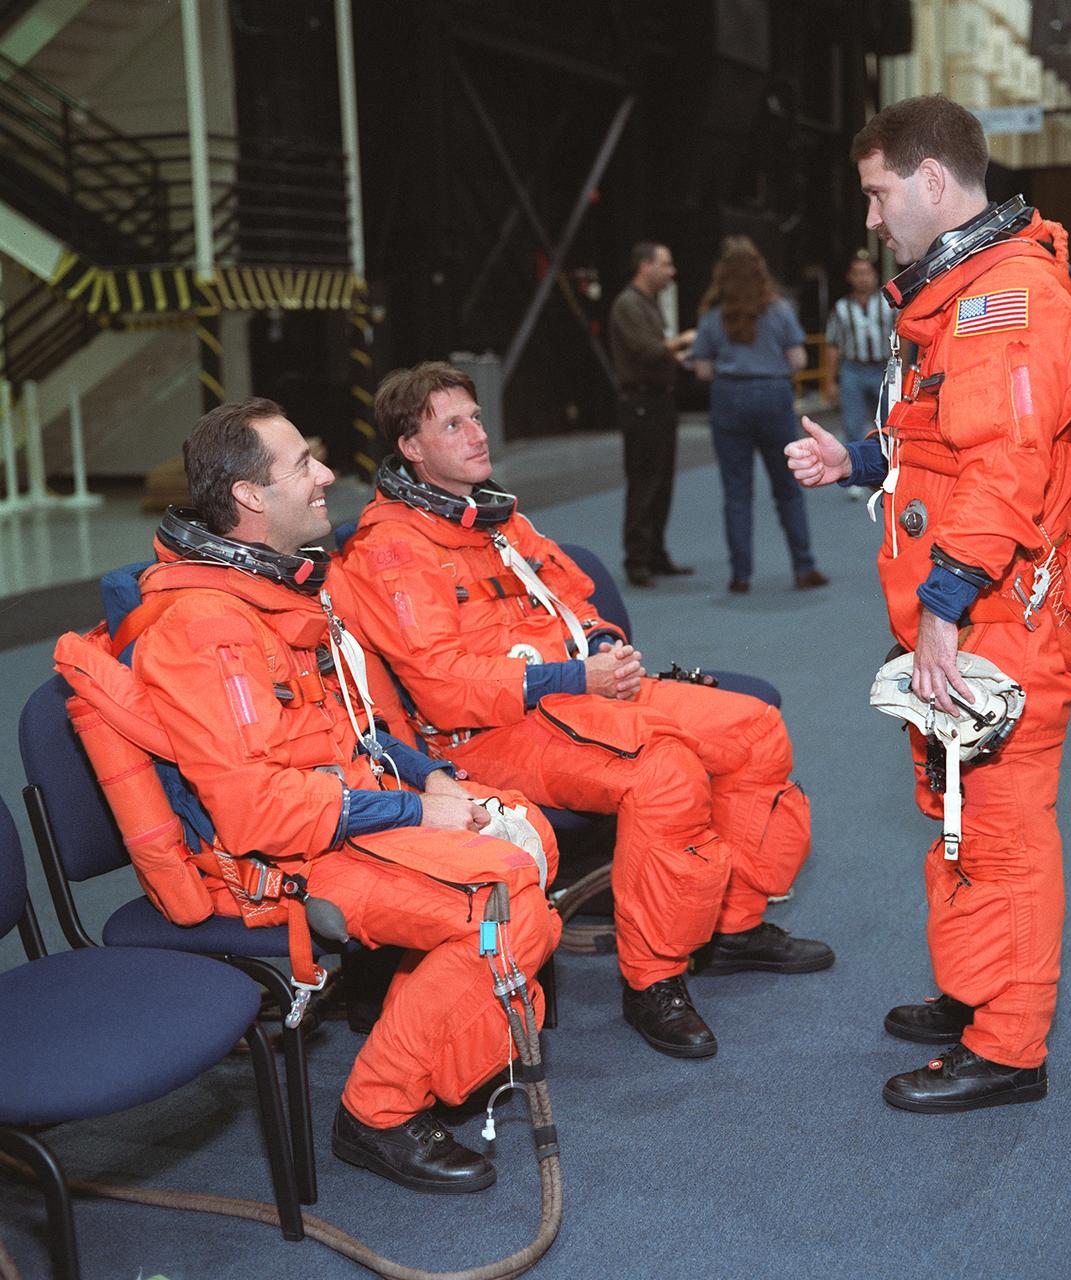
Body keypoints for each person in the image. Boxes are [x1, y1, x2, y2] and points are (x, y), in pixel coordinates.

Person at [337, 361, 835, 1061]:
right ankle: (654, 980)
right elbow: (443, 687)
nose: (477, 433)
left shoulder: (499, 519)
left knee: (753, 728)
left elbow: (575, 598)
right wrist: (576, 672)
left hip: (582, 696)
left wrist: (603, 644)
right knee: (665, 776)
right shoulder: (390, 550)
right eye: (453, 424)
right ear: (409, 448)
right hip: (492, 733)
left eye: (476, 416)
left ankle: (734, 925)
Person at [131, 398, 561, 1192]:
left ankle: (430, 1028)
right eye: (304, 464)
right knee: (500, 901)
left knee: (523, 828)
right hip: (272, 861)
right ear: (251, 498)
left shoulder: (276, 594)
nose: (327, 474)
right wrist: (413, 808)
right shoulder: (205, 629)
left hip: (339, 813)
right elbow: (256, 811)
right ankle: (376, 1112)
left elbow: (347, 730)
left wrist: (424, 773)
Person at [786, 95, 1071, 1112]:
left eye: (880, 195)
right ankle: (980, 989)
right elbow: (950, 433)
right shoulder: (965, 292)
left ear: (933, 179)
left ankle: (1011, 1045)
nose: (873, 219)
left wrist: (943, 605)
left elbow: (1008, 469)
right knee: (960, 809)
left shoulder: (1007, 296)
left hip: (1001, 618)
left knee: (1005, 827)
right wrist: (864, 458)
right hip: (971, 611)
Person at [692, 236, 828, 594]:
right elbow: (798, 360)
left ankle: (741, 575)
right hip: (772, 396)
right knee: (787, 488)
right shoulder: (779, 310)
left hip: (728, 398)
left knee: (737, 492)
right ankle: (804, 566)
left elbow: (703, 369)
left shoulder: (712, 316)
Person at [607, 241, 696, 587]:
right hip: (642, 404)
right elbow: (646, 351)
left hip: (657, 402)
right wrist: (683, 341)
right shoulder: (628, 304)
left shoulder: (645, 303)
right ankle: (638, 558)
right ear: (645, 266)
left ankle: (655, 553)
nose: (671, 272)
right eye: (666, 264)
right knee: (645, 481)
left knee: (661, 482)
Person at [824, 249, 895, 496]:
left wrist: (904, 368)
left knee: (889, 422)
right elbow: (832, 345)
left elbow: (903, 337)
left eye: (866, 273)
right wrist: (830, 381)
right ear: (850, 277)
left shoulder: (888, 304)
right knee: (852, 423)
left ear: (874, 276)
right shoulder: (841, 309)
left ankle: (890, 468)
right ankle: (855, 476)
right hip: (853, 369)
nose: (862, 278)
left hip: (883, 369)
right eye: (857, 273)